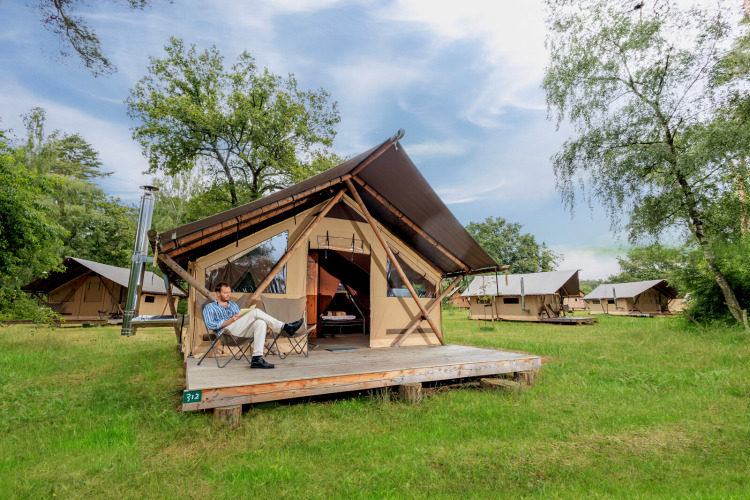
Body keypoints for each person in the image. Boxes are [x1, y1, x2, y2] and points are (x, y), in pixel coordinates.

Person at [202, 282, 304, 369]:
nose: (228, 295)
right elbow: (210, 324)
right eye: (225, 293)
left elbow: (242, 319)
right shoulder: (210, 307)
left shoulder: (233, 304)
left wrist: (242, 316)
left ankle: (257, 359)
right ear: (218, 294)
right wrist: (230, 320)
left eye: (229, 292)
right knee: (256, 312)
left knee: (260, 322)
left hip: (239, 330)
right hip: (226, 333)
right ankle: (285, 327)